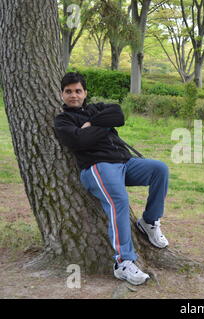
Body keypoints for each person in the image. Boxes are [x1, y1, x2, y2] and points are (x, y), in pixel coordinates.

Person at [54, 72, 170, 286]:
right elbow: (80, 141)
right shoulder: (63, 120)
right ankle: (123, 262)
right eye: (68, 91)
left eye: (78, 91)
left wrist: (91, 125)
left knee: (160, 169)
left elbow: (118, 115)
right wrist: (102, 126)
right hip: (98, 168)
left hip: (125, 163)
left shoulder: (94, 109)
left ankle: (149, 222)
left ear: (85, 93)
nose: (74, 95)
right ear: (61, 94)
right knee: (119, 202)